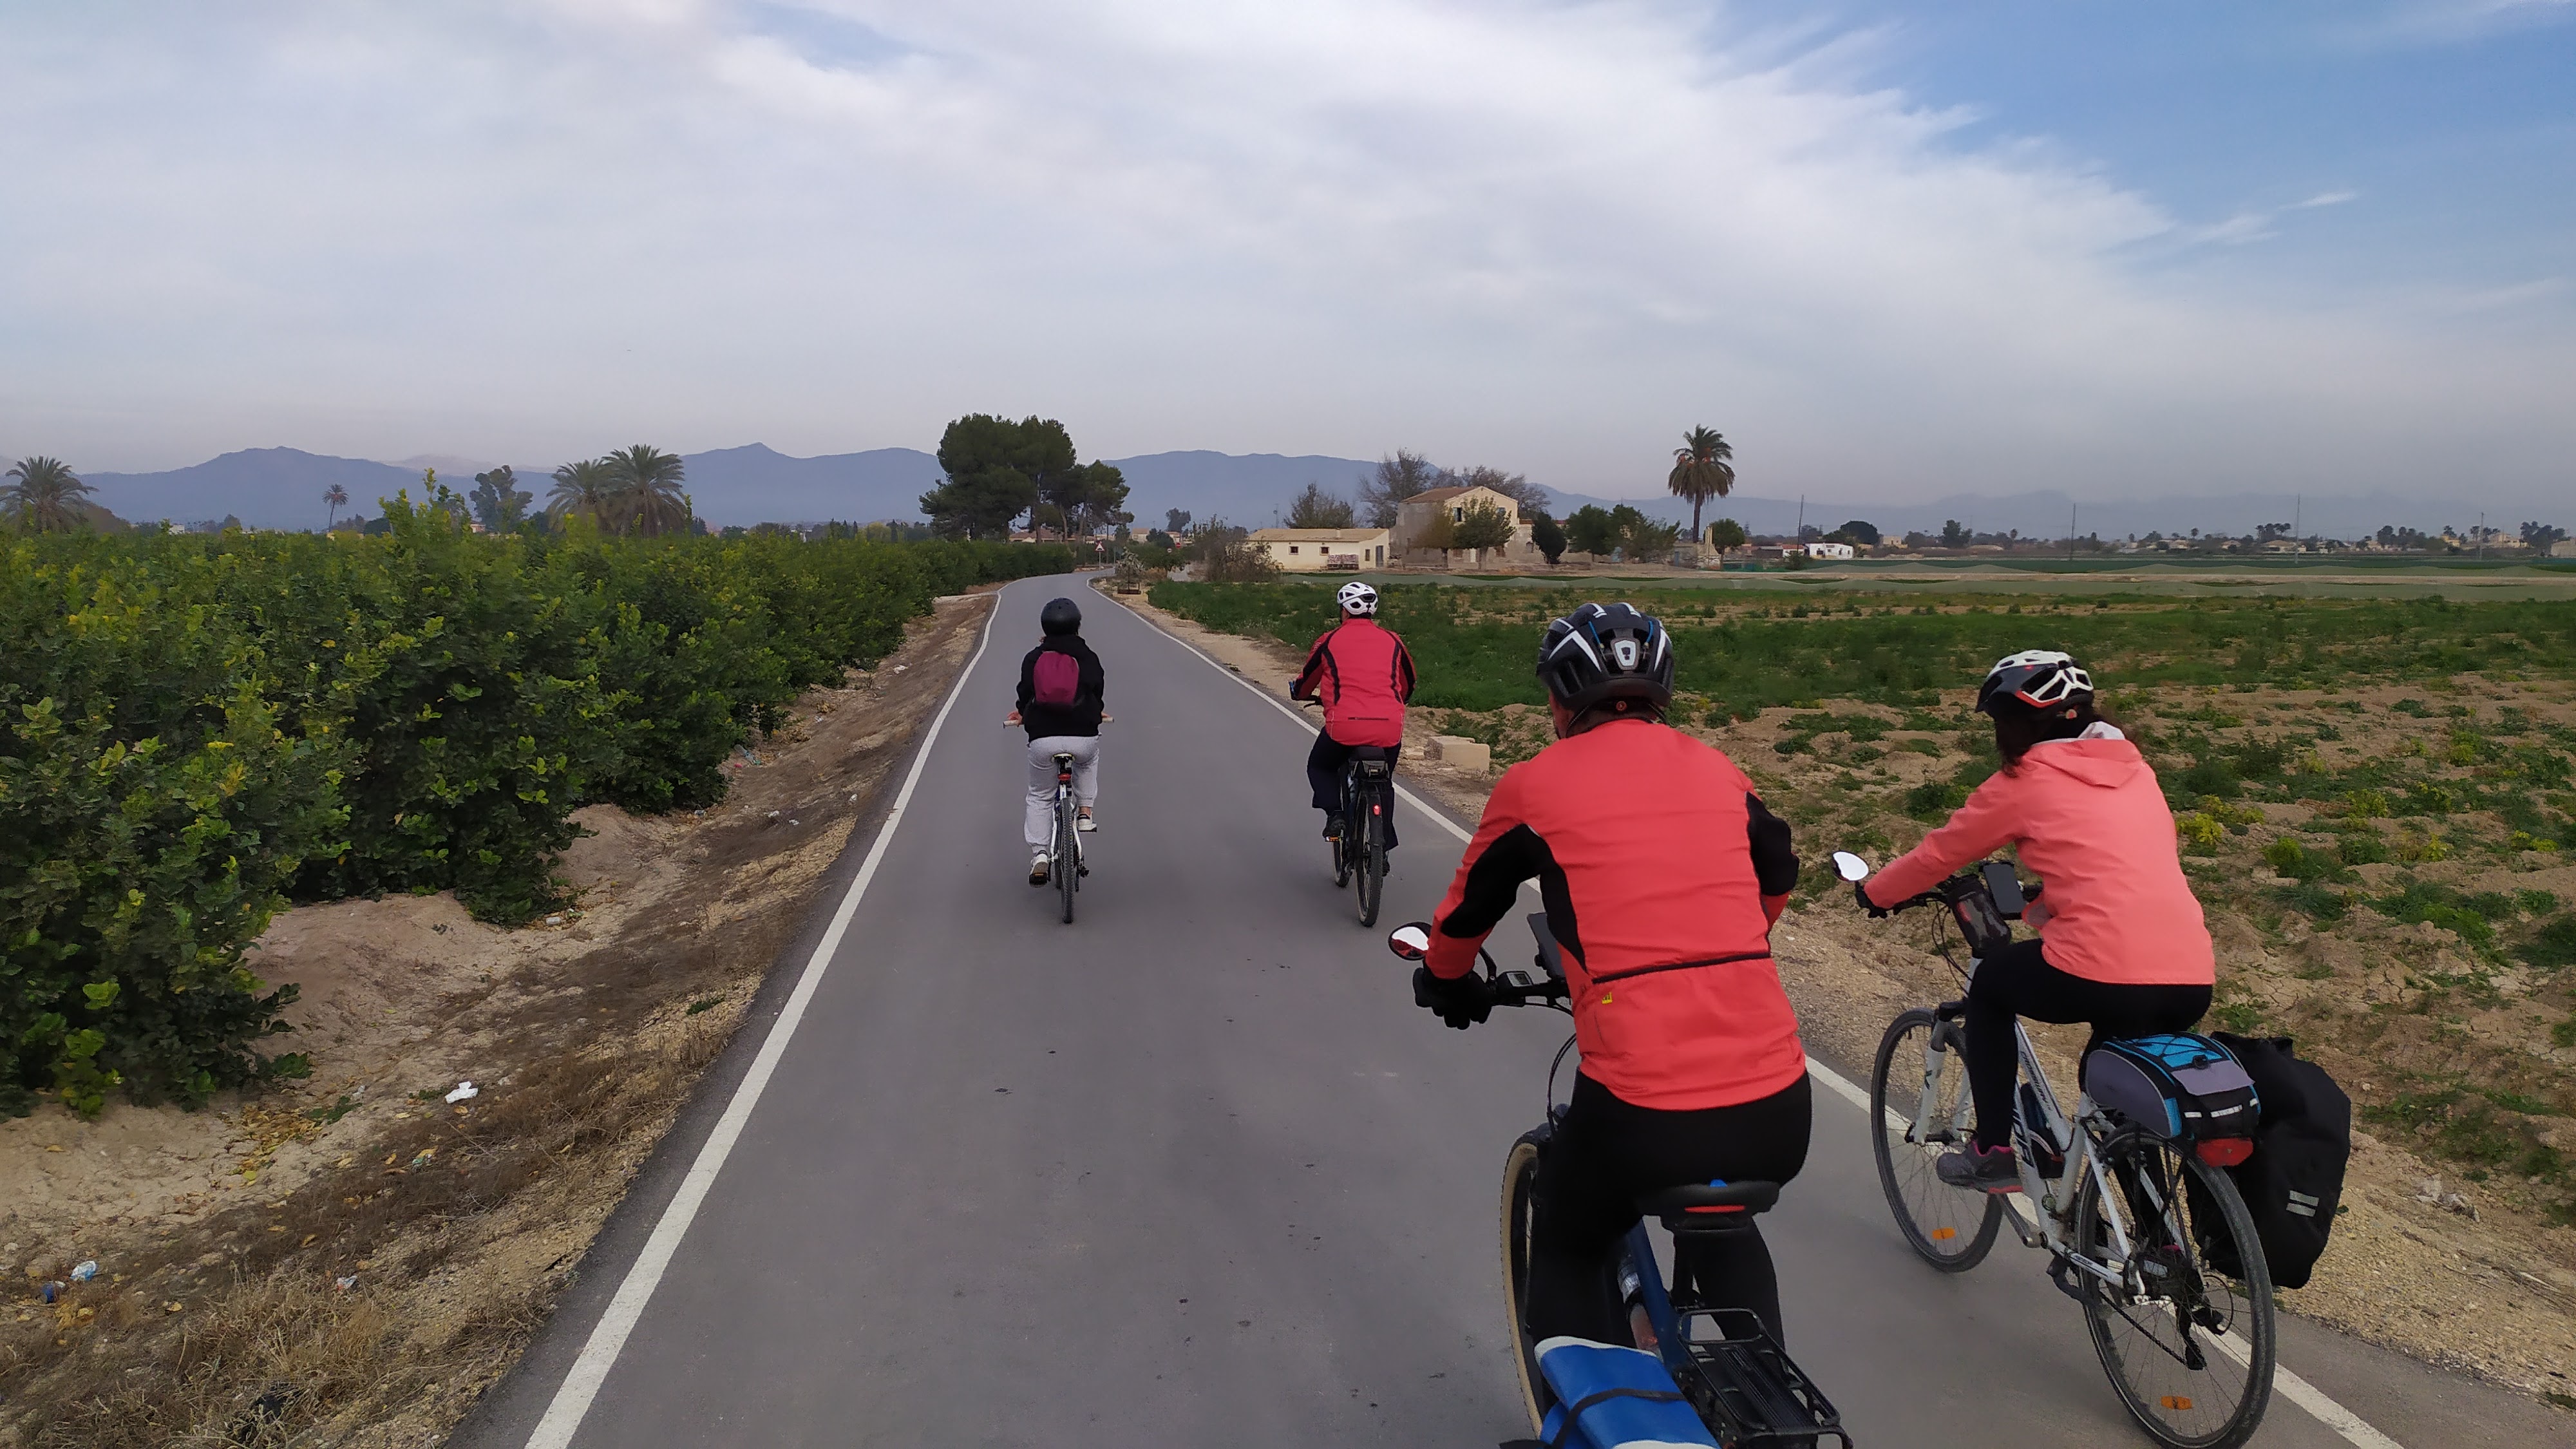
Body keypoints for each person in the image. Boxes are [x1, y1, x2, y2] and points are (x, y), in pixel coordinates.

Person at [1413, 601, 1809, 1347]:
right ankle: (1770, 1392)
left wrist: (1444, 981)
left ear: (1561, 699)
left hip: (1640, 1110)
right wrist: (1729, 939)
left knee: (1570, 1237)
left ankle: (1570, 1404)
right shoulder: (1720, 770)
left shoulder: (1533, 785)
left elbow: (1467, 913)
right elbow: (1778, 870)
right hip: (1780, 1106)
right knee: (1726, 1226)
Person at [1857, 650, 2215, 1191]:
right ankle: (2146, 1232)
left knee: (1992, 988)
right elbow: (2121, 866)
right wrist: (2048, 900)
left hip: (2102, 971)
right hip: (2190, 975)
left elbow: (1938, 855)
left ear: (2017, 723)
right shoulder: (2138, 771)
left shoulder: (2025, 780)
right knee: (2115, 1101)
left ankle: (1992, 1151)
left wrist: (1876, 893)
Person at [1290, 580, 1417, 849]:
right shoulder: (1394, 641)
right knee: (1384, 781)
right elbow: (1409, 684)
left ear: (1345, 611)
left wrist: (1299, 693)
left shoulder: (1329, 640)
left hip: (1344, 727)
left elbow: (1306, 681)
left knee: (1319, 766)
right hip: (1388, 728)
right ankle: (1383, 847)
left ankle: (1335, 814)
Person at [1007, 596, 1106, 886]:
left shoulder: (1034, 658)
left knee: (1040, 795)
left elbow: (1025, 693)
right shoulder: (1088, 656)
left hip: (1043, 739)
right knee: (1088, 761)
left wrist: (1023, 713)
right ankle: (1085, 811)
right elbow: (1097, 690)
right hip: (1082, 737)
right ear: (1077, 625)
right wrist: (1095, 711)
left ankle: (1040, 854)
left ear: (1044, 626)